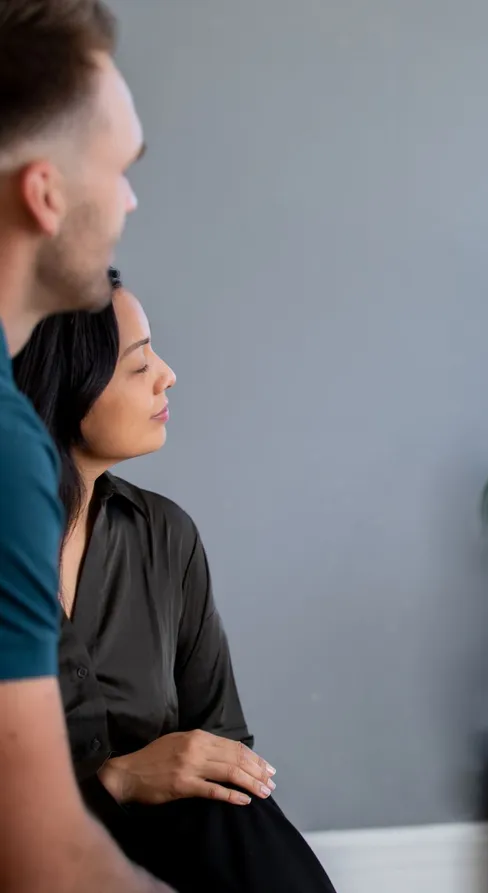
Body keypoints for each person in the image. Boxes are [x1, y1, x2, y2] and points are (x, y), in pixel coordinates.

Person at [12, 269, 338, 892]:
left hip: (168, 859)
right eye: (138, 366)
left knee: (231, 808)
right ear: (62, 386)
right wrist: (120, 779)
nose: (167, 375)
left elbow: (222, 751)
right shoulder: (12, 548)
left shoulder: (164, 536)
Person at [0, 2, 170, 890]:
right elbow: (44, 858)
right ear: (45, 193)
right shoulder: (7, 453)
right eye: (121, 168)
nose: (132, 200)